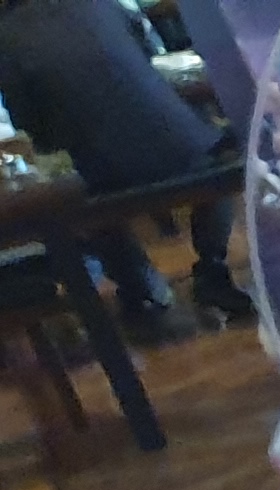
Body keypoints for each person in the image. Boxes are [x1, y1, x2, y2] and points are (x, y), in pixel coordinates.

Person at [0, 0, 247, 334]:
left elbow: (28, 122)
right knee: (217, 163)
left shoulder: (7, 36)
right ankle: (212, 268)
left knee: (76, 202)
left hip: (106, 171)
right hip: (181, 144)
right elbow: (146, 52)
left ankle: (140, 289)